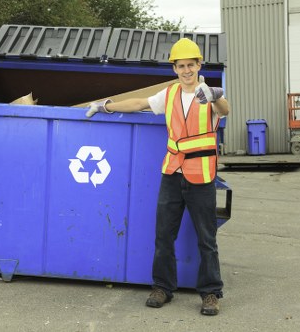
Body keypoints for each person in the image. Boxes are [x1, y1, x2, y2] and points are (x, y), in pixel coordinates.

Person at [85, 38, 230, 316]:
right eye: (181, 65)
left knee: (206, 239)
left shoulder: (208, 94)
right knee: (164, 235)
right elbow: (139, 103)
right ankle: (163, 287)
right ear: (175, 68)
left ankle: (210, 293)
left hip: (201, 175)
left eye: (191, 65)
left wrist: (217, 97)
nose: (186, 70)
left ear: (200, 65)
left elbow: (225, 111)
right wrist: (106, 105)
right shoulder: (170, 93)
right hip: (172, 173)